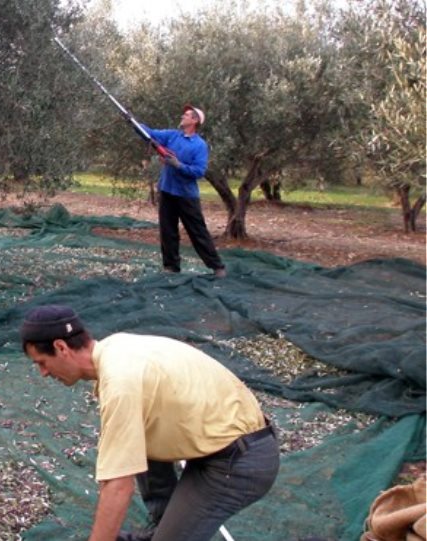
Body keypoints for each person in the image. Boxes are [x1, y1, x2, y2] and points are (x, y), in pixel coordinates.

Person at [19, 305, 279, 541]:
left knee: (127, 452)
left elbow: (118, 485)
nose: (43, 373)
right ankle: (163, 525)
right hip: (218, 443)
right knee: (133, 439)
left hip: (239, 463)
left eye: (42, 363)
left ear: (61, 348)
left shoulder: (121, 381)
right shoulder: (117, 347)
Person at [140, 105, 226, 278]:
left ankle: (217, 267)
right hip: (167, 190)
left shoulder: (200, 146)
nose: (182, 116)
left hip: (186, 195)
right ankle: (171, 267)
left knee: (197, 232)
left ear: (194, 121)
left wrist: (179, 165)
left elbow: (199, 171)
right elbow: (150, 134)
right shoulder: (172, 135)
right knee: (168, 231)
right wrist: (133, 122)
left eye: (186, 115)